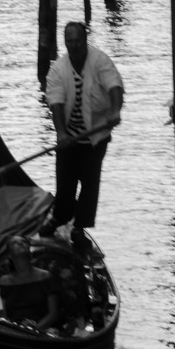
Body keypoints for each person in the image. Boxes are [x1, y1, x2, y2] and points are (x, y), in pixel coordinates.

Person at [44, 20, 124, 241]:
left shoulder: (100, 61)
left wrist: (115, 111)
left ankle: (80, 226)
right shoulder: (58, 70)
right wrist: (61, 134)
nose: (74, 45)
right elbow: (56, 104)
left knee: (89, 182)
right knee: (65, 182)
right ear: (65, 42)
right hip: (69, 137)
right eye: (70, 41)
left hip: (96, 136)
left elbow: (115, 86)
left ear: (85, 40)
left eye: (78, 41)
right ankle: (60, 217)